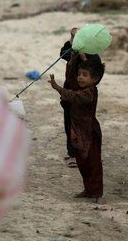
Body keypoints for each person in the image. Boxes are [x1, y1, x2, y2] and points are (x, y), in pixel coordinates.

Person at [49, 59, 105, 200]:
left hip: (90, 132)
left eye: (84, 75)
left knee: (93, 163)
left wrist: (58, 88)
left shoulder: (89, 93)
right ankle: (89, 190)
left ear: (95, 79)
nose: (80, 77)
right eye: (79, 74)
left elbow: (74, 96)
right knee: (82, 162)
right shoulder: (82, 89)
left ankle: (95, 192)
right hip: (78, 131)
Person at [59, 28, 102, 168]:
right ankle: (73, 154)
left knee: (86, 126)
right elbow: (62, 54)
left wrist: (84, 57)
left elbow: (97, 74)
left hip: (84, 99)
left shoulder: (94, 57)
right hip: (69, 97)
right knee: (69, 125)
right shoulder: (72, 52)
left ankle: (88, 153)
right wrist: (72, 39)